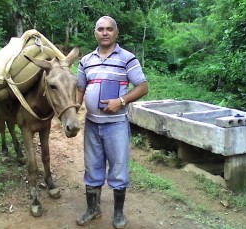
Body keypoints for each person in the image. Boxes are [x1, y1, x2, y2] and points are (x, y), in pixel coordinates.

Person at [76, 16, 148, 229]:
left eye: (109, 29)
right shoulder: (86, 60)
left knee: (118, 168)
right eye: (100, 29)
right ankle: (93, 209)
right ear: (95, 33)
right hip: (91, 124)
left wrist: (121, 100)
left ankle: (118, 213)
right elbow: (80, 88)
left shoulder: (127, 58)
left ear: (116, 33)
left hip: (116, 124)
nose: (105, 33)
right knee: (92, 167)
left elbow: (143, 86)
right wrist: (73, 109)